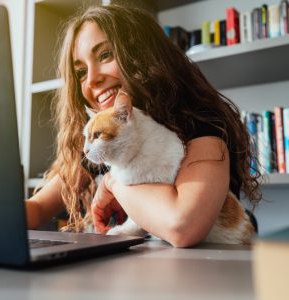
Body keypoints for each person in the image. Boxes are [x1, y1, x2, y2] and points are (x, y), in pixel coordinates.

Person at [25, 4, 261, 247]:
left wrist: (112, 184)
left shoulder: (201, 124)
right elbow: (38, 207)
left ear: (143, 54)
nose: (92, 79)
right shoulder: (107, 139)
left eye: (105, 55)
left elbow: (182, 226)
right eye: (81, 72)